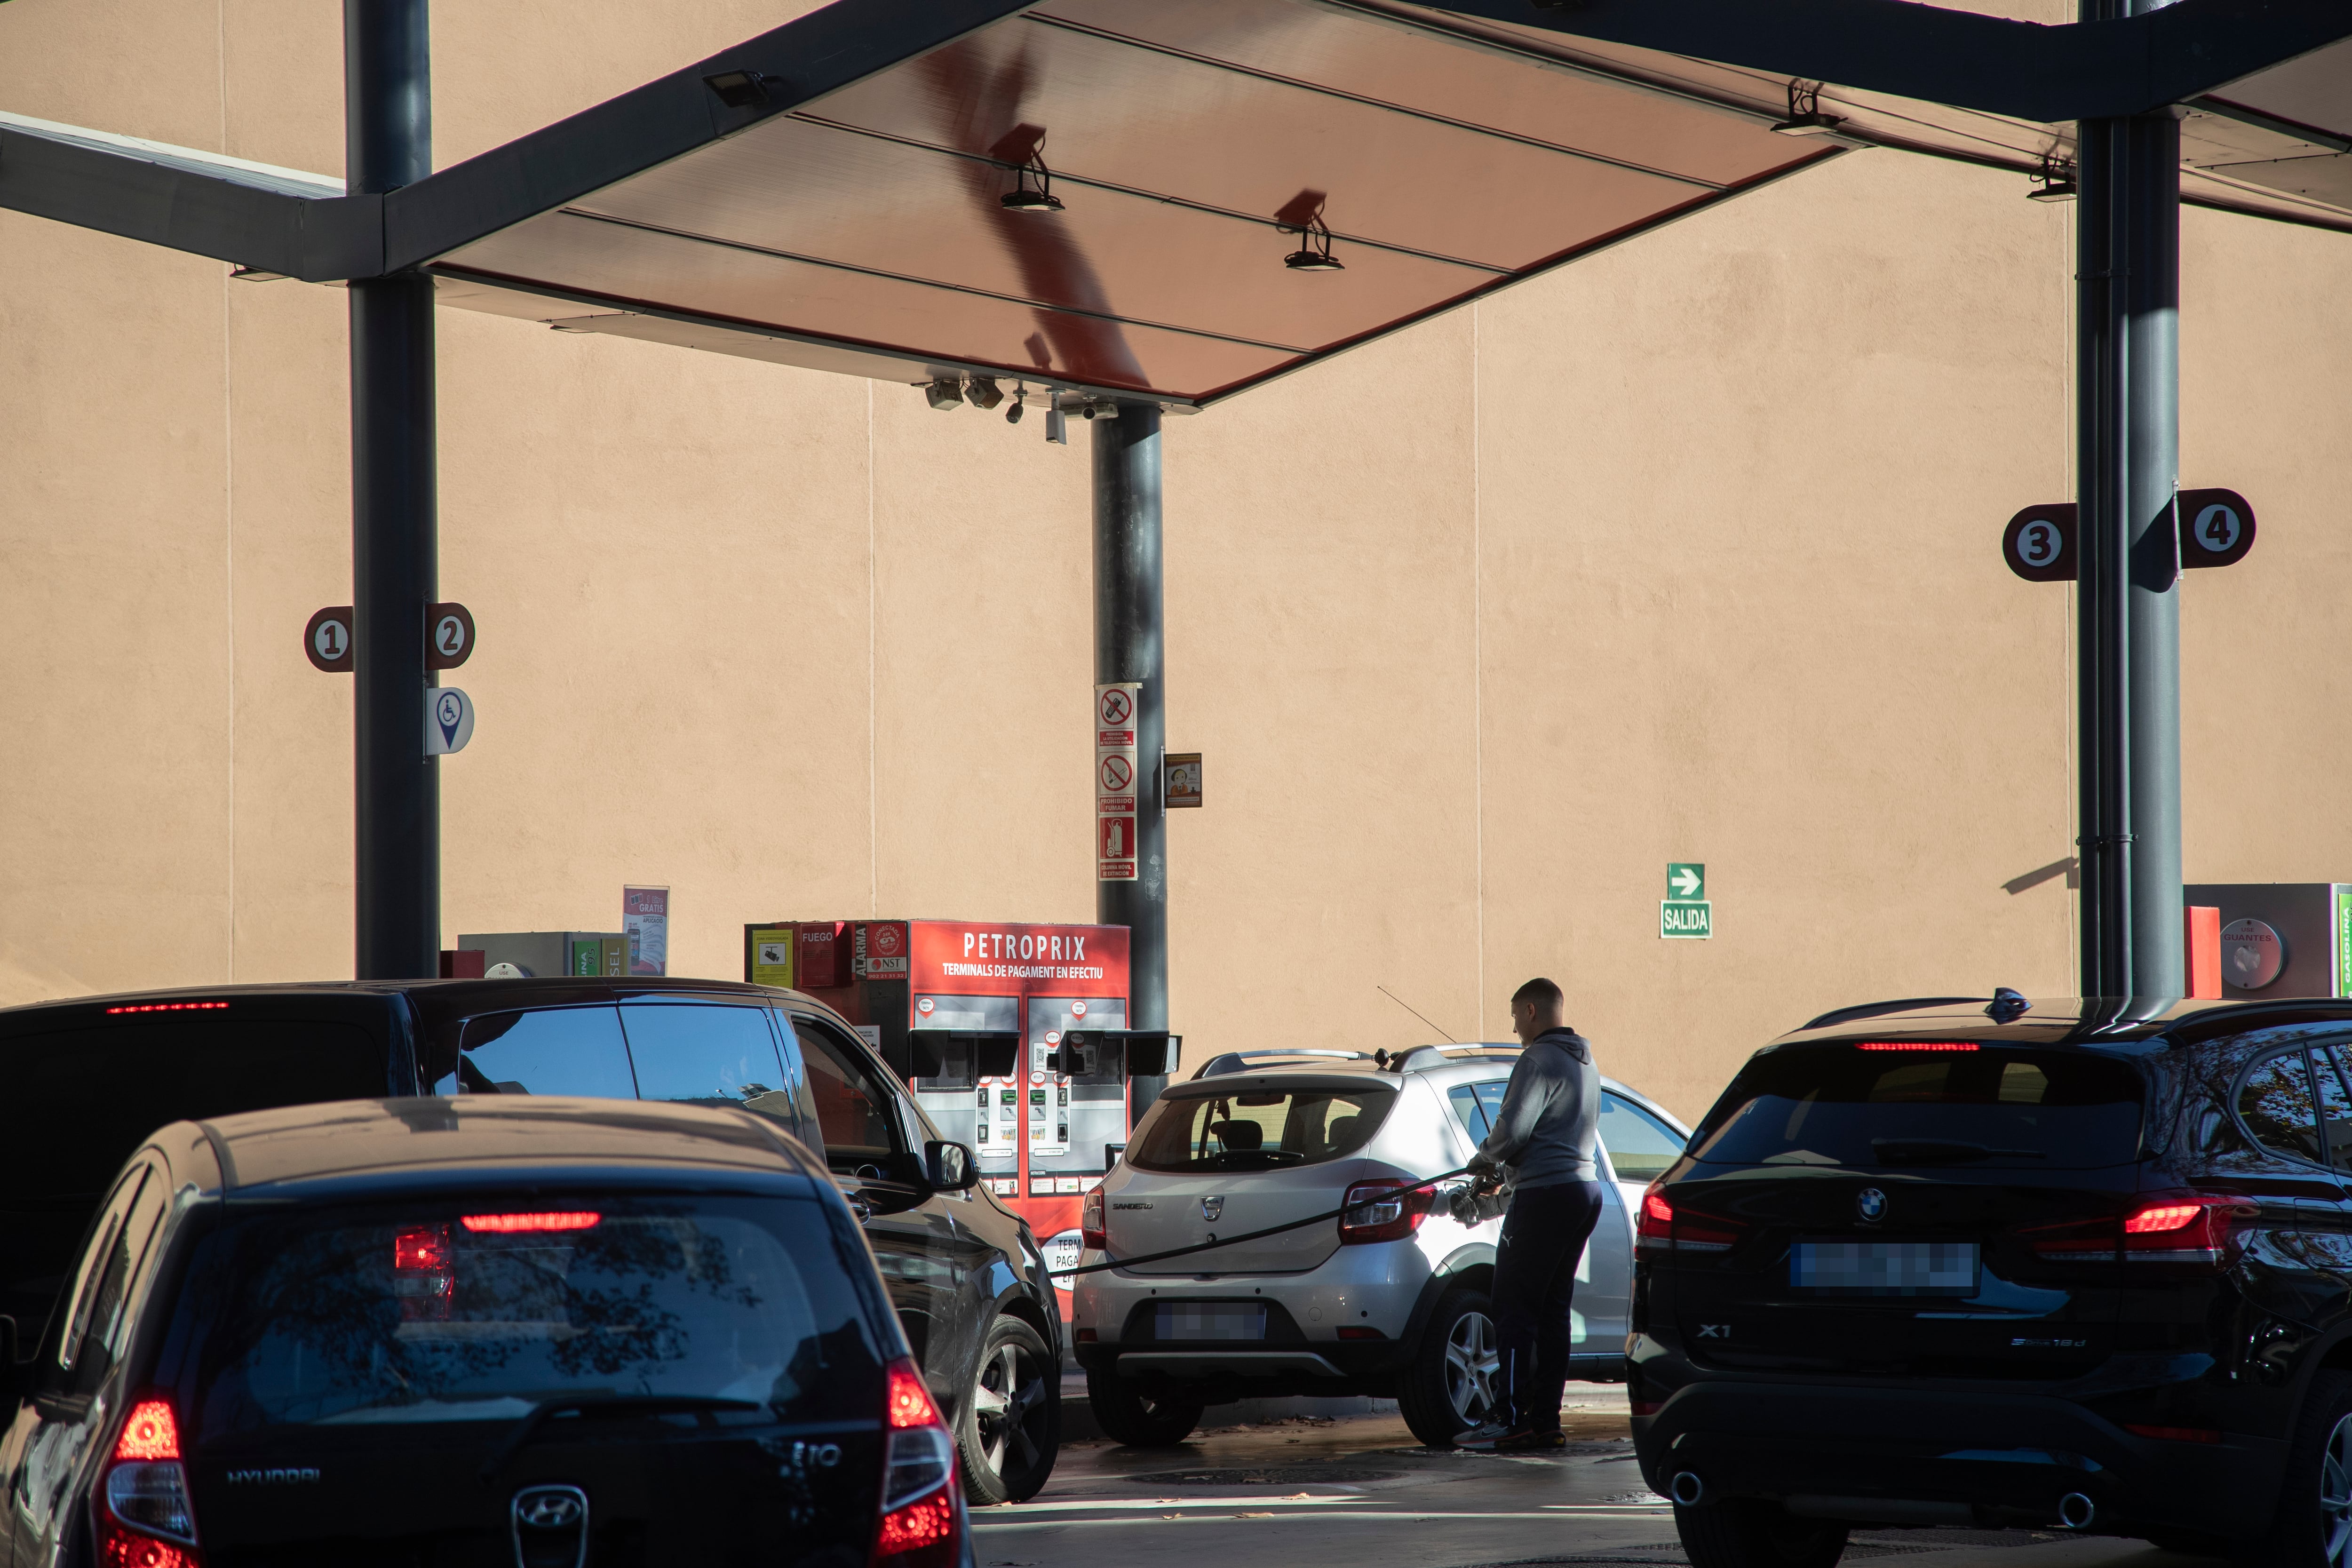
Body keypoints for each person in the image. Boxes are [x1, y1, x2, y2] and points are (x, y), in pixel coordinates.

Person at [1454, 976, 1604, 1451]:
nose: (1514, 1024)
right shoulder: (1585, 1061)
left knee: (1513, 1308)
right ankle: (1546, 1422)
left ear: (1532, 1012)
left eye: (1516, 1014)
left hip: (1543, 1198)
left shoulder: (1536, 1059)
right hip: (1583, 1192)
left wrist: (1483, 1158)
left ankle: (1512, 1419)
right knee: (1553, 1311)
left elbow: (1512, 1130)